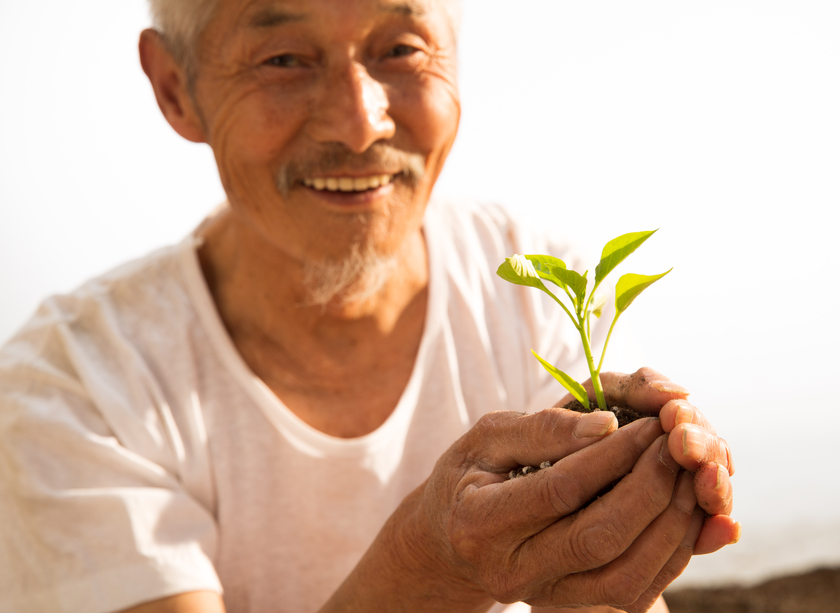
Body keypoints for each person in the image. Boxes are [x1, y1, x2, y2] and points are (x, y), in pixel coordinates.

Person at [0, 0, 741, 611]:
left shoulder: (534, 289)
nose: (359, 123)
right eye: (284, 59)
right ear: (175, 88)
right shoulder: (74, 386)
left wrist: (630, 521)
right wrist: (429, 565)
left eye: (401, 49)